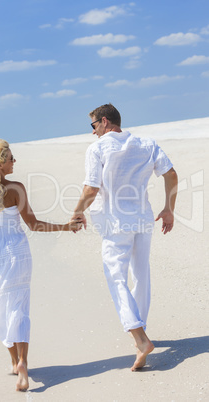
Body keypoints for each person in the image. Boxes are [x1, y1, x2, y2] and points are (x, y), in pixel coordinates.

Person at [0, 138, 82, 391]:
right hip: (16, 251)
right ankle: (23, 363)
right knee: (18, 307)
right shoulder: (16, 189)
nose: (14, 161)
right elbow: (34, 225)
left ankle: (14, 361)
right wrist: (66, 227)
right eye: (10, 158)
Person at [72, 104, 178, 371]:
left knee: (115, 276)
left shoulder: (98, 149)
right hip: (143, 218)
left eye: (93, 126)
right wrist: (169, 209)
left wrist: (77, 212)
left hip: (115, 221)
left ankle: (139, 337)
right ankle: (141, 328)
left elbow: (91, 188)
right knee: (141, 273)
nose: (93, 132)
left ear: (105, 122)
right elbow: (171, 174)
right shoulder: (146, 143)